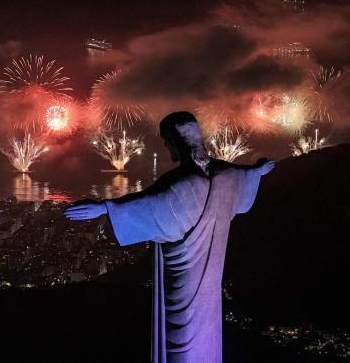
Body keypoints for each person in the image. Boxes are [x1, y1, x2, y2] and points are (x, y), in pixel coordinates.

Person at [64, 112, 274, 363]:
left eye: (166, 142)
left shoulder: (181, 184)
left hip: (183, 287)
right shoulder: (227, 176)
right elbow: (245, 177)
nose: (167, 148)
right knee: (208, 338)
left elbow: (149, 204)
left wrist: (104, 208)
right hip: (210, 287)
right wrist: (258, 171)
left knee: (181, 344)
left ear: (175, 142)